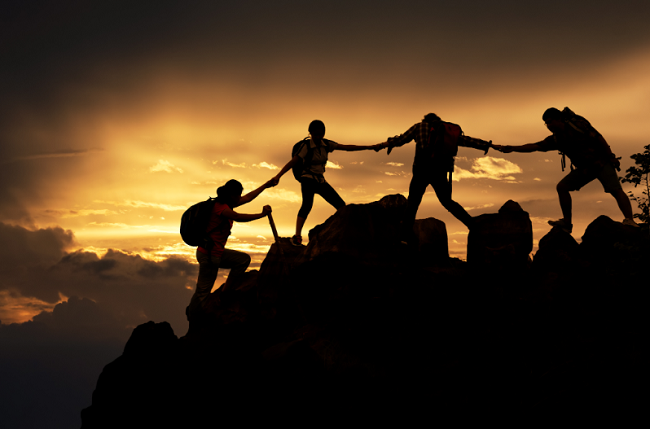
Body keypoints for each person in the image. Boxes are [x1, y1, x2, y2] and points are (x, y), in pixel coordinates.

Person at [493, 107, 638, 233]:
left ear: (559, 119)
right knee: (562, 187)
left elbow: (599, 138)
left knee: (615, 190)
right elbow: (536, 146)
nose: (548, 125)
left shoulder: (578, 125)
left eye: (550, 121)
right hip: (584, 168)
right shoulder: (557, 139)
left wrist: (611, 156)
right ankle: (567, 223)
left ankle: (630, 220)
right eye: (546, 123)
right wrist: (513, 148)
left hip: (601, 162)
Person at [376, 113, 492, 244]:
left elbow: (402, 139)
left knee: (413, 202)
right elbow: (466, 141)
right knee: (447, 202)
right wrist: (486, 145)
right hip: (439, 171)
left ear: (425, 119)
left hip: (421, 170)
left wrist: (384, 144)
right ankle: (471, 224)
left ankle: (404, 236)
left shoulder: (419, 127)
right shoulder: (447, 131)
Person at [272, 119, 383, 246]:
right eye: (315, 134)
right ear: (310, 133)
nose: (318, 137)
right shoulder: (306, 146)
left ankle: (344, 232)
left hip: (320, 180)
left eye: (320, 134)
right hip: (308, 179)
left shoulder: (326, 144)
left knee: (341, 205)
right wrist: (278, 176)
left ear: (324, 133)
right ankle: (297, 236)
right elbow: (293, 162)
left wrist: (370, 147)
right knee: (307, 205)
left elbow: (347, 148)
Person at [188, 179, 273, 315]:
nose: (240, 197)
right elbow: (237, 217)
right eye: (238, 194)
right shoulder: (220, 208)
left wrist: (266, 185)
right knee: (203, 291)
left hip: (216, 253)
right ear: (232, 195)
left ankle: (225, 293)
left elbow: (248, 198)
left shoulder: (227, 203)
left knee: (243, 260)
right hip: (209, 255)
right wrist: (262, 215)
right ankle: (194, 316)